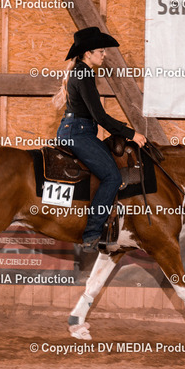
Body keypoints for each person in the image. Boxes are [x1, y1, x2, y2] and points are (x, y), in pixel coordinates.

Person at [53, 27, 147, 251]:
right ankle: (93, 233)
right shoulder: (84, 74)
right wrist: (130, 133)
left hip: (76, 130)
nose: (104, 55)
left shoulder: (81, 72)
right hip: (78, 133)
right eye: (101, 51)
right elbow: (99, 116)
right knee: (112, 177)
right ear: (88, 53)